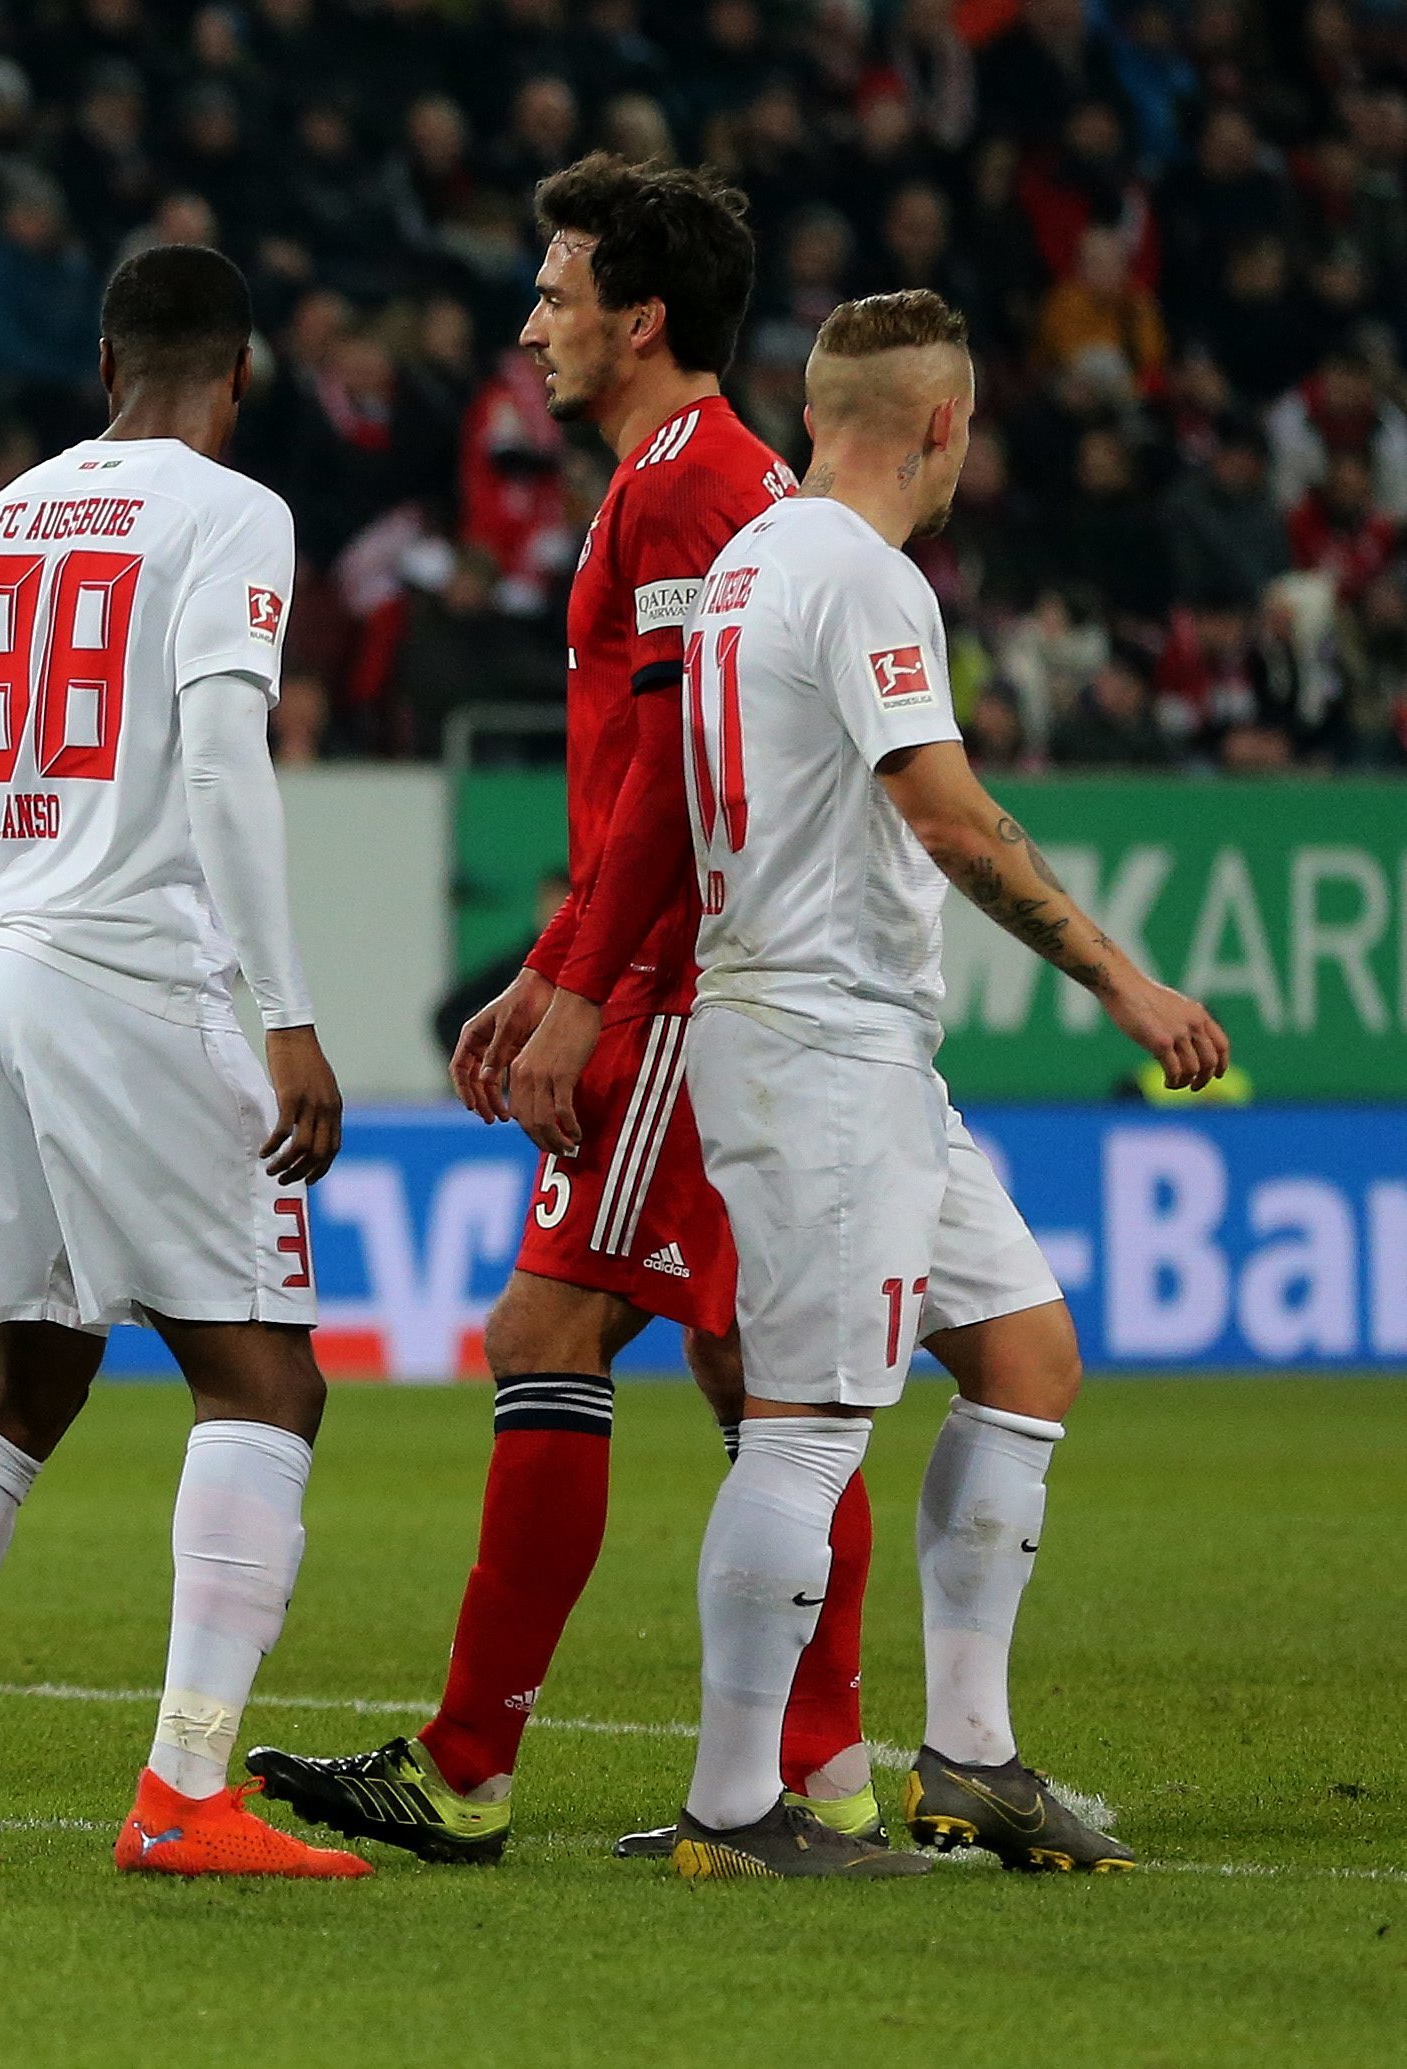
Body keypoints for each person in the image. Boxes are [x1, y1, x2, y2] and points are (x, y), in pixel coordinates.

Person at [250, 154, 878, 1866]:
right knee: (757, 1367)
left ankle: (467, 1766)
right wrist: (546, 959)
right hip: (682, 963)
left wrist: (588, 992)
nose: (529, 325)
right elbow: (650, 777)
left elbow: (680, 770)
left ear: (639, 317)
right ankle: (824, 1764)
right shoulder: (691, 479)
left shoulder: (683, 488)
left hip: (680, 981)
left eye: (553, 293)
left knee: (548, 1332)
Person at [0, 245, 364, 1880]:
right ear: (236, 378)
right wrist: (284, 1007)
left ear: (103, 364)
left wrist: (42, 751)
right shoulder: (229, 511)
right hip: (124, 972)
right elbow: (227, 757)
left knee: (27, 1378)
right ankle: (186, 1788)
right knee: (264, 1377)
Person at [667, 290, 1226, 1877]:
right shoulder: (864, 573)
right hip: (815, 1039)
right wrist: (1121, 981)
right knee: (805, 1422)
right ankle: (730, 1807)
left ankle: (969, 1756)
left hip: (855, 1045)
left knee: (1025, 1354)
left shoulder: (746, 562)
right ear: (943, 425)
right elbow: (950, 817)